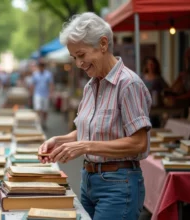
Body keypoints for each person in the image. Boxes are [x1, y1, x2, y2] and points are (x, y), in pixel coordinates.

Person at [38, 12, 152, 220]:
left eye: (81, 55)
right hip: (89, 181)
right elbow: (91, 129)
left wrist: (85, 146)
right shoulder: (91, 86)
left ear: (102, 44)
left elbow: (139, 143)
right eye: (74, 58)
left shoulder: (129, 84)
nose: (78, 63)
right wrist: (59, 140)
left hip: (118, 185)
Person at [141, 57, 168, 127]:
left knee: (154, 123)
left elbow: (167, 89)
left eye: (152, 64)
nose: (150, 66)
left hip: (155, 105)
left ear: (155, 66)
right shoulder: (142, 77)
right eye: (149, 64)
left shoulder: (158, 78)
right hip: (144, 105)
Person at [165, 48, 190, 113]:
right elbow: (172, 88)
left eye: (188, 58)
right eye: (186, 58)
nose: (187, 60)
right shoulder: (184, 75)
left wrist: (176, 98)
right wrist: (179, 79)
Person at [31, 61, 54, 129]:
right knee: (38, 109)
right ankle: (38, 122)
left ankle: (44, 122)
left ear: (44, 67)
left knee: (45, 110)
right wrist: (31, 93)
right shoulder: (35, 74)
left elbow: (51, 84)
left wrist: (50, 93)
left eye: (42, 66)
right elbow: (33, 84)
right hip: (37, 94)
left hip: (45, 94)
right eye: (40, 66)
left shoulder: (48, 74)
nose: (41, 67)